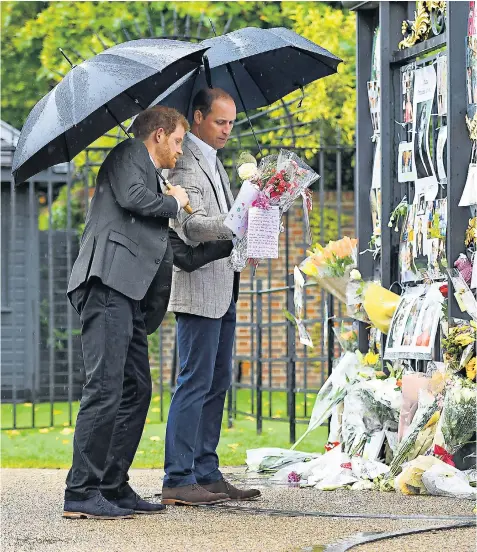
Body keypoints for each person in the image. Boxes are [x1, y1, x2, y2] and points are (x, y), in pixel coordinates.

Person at [63, 106, 231, 520]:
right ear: (158, 135)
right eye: (177, 141)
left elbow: (179, 255)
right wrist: (174, 201)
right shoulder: (127, 157)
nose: (181, 150)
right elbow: (134, 199)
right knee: (104, 388)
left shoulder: (152, 183)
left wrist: (236, 237)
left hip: (130, 297)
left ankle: (112, 484)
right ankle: (80, 491)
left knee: (137, 389)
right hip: (106, 285)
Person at [162, 88, 260, 506]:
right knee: (194, 381)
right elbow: (195, 227)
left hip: (223, 284)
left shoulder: (215, 161)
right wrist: (241, 218)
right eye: (220, 122)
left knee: (218, 380)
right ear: (198, 116)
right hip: (199, 289)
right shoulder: (184, 161)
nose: (226, 130)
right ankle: (178, 478)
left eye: (231, 123)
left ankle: (206, 471)